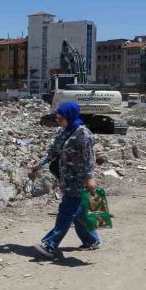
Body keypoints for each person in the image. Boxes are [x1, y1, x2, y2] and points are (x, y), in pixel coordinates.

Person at [31, 101, 100, 259]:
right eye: (57, 118)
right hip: (65, 178)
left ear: (70, 116)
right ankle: (91, 240)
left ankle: (50, 244)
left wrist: (90, 178)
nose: (58, 121)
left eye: (60, 118)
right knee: (78, 212)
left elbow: (89, 158)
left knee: (66, 212)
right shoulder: (63, 132)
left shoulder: (84, 134)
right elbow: (52, 153)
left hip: (78, 180)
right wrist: (38, 166)